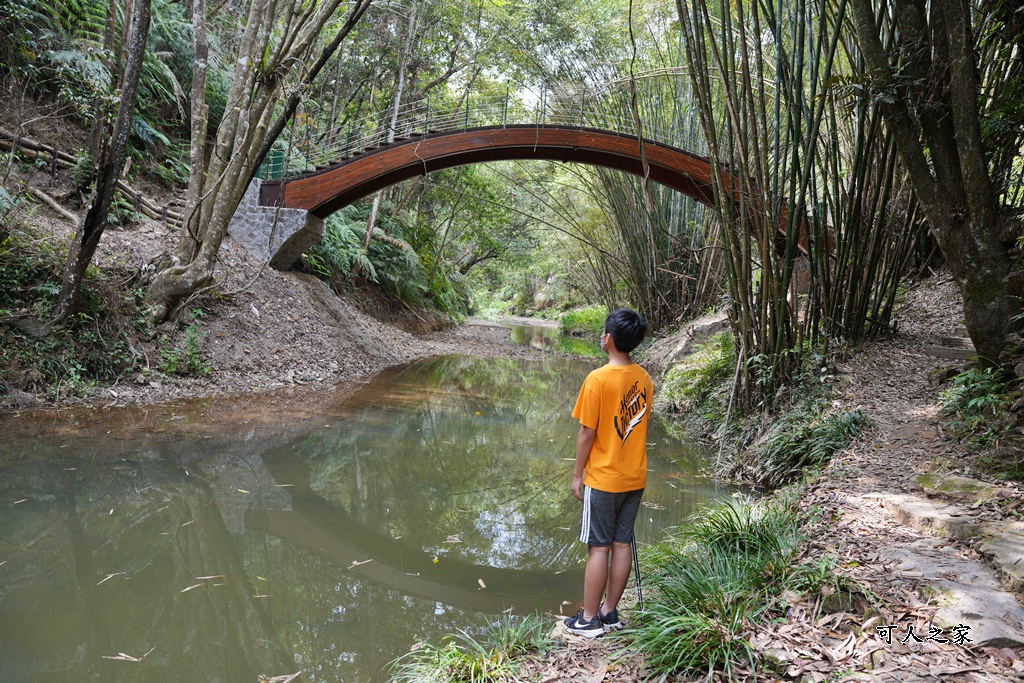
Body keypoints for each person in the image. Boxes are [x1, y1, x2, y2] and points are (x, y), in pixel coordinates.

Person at [563, 308, 653, 638]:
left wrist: (577, 475)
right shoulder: (644, 379)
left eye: (603, 332)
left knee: (599, 548)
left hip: (604, 479)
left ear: (608, 339)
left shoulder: (597, 379)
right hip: (634, 478)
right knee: (622, 543)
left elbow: (587, 433)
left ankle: (588, 620)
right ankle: (610, 613)